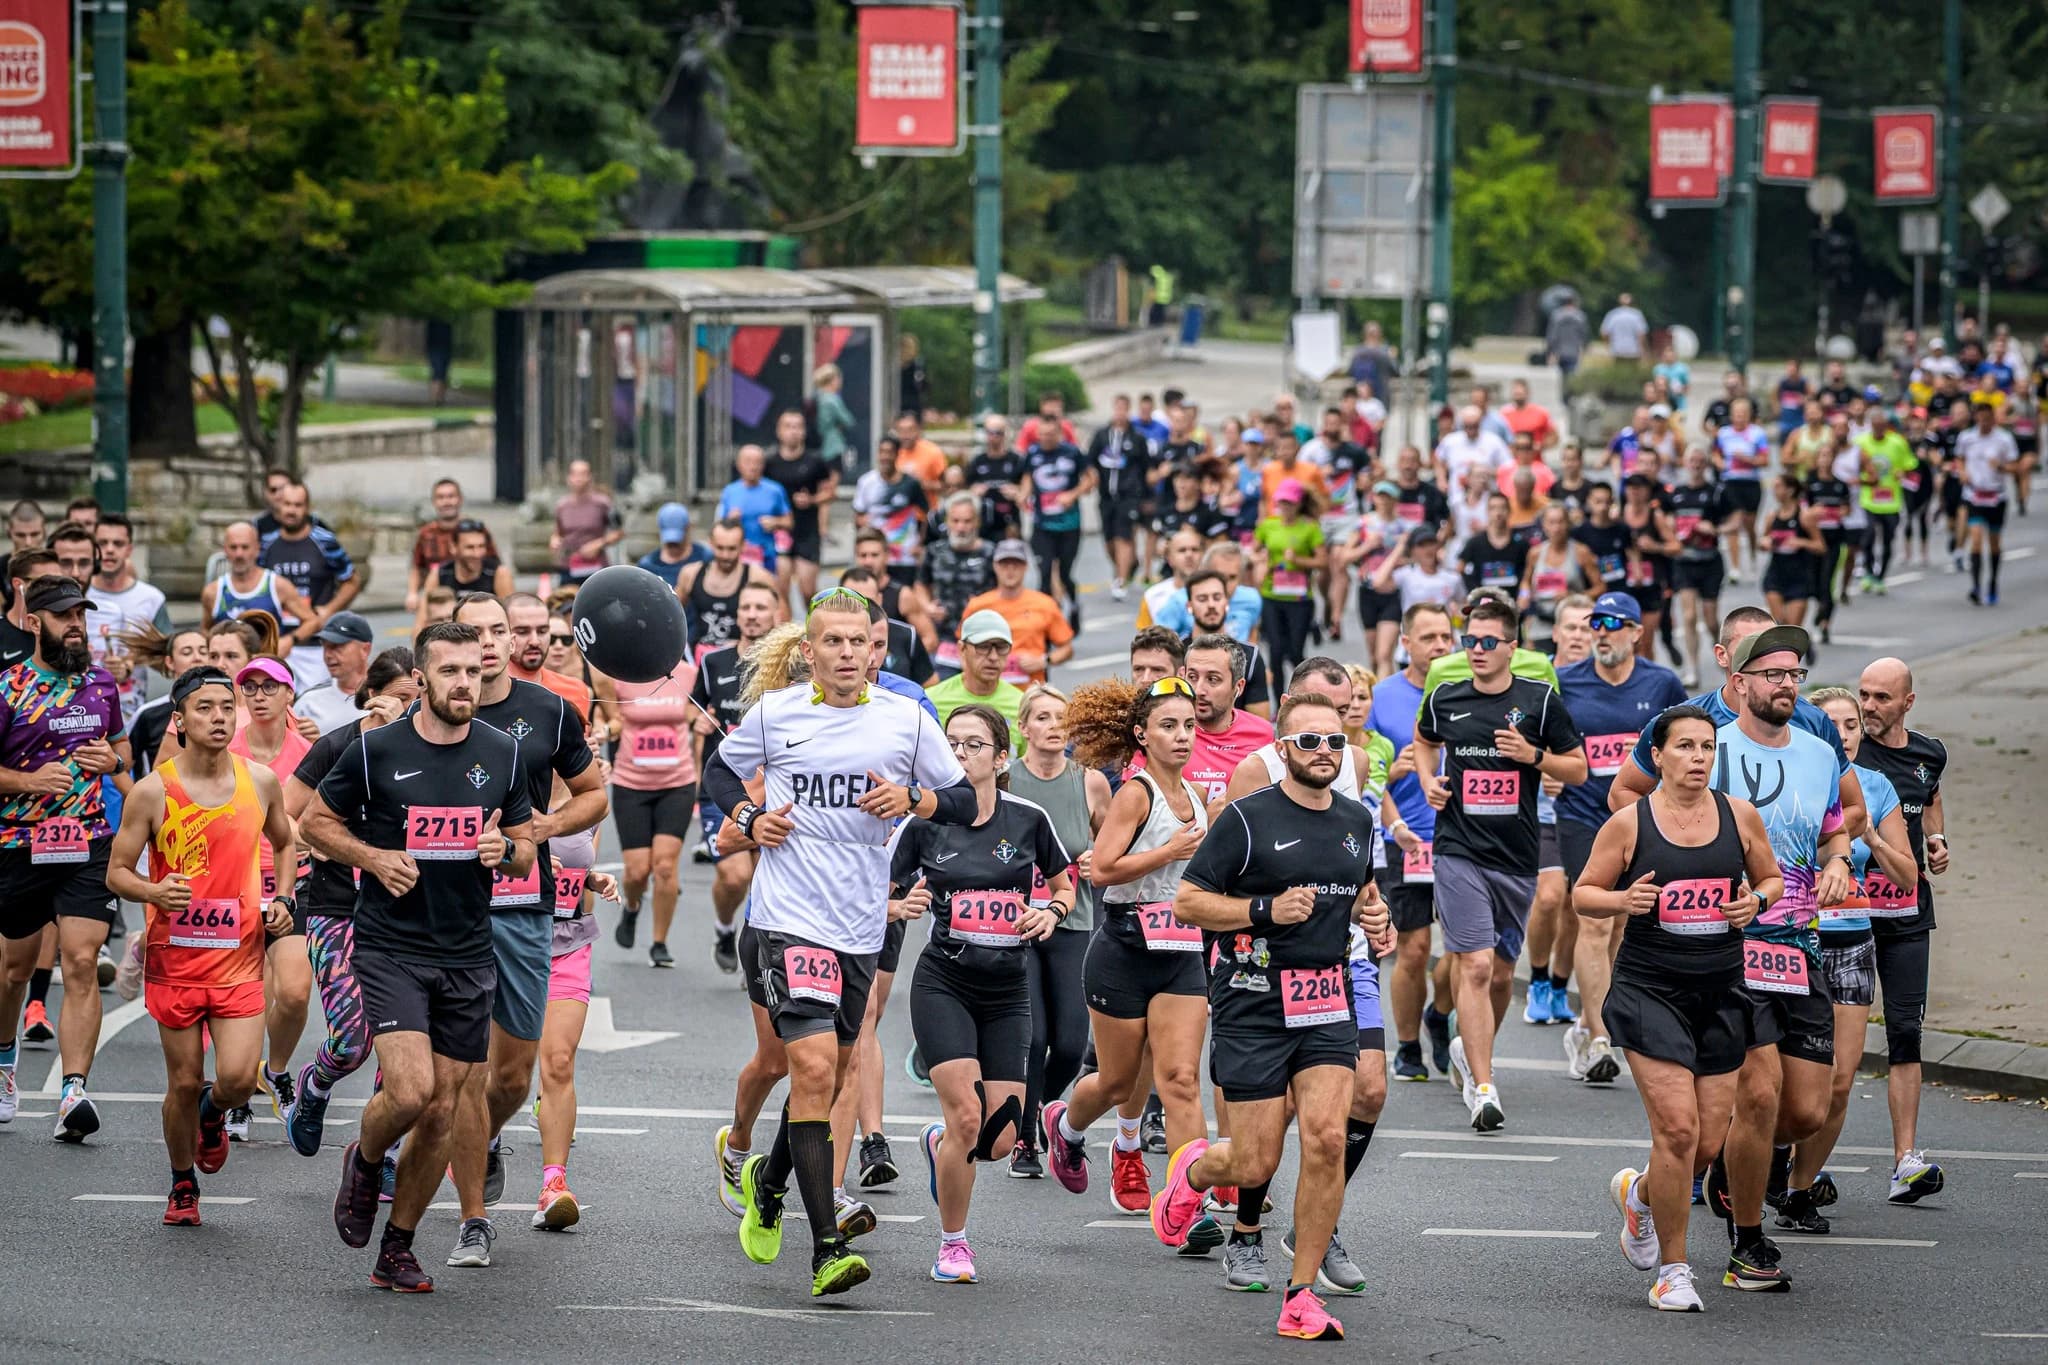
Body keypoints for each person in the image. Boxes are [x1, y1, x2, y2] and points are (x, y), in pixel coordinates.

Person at [704, 587, 972, 1299]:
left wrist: (913, 800)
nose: (849, 653)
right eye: (834, 642)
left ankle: (770, 1177)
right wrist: (750, 815)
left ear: (876, 648)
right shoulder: (777, 712)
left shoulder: (907, 720)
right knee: (816, 1067)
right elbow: (718, 769)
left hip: (862, 924)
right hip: (788, 917)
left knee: (832, 1069)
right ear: (810, 651)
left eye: (862, 642)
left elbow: (967, 800)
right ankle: (824, 1246)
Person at [303, 621, 538, 1294]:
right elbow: (314, 822)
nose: (464, 681)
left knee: (440, 1112)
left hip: (468, 950)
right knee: (411, 1091)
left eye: (473, 670)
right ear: (422, 679)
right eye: (450, 671)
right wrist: (372, 856)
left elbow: (522, 838)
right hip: (391, 945)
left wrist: (508, 851)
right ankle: (367, 1153)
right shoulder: (376, 750)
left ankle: (397, 1247)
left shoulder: (501, 751)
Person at [1155, 693, 1393, 1341]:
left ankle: (1301, 1294)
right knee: (1254, 1160)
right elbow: (1188, 901)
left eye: (1334, 742)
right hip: (1253, 998)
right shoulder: (1246, 818)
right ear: (1283, 749)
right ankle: (1195, 1172)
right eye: (1308, 741)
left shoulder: (1356, 819)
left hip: (1326, 999)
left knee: (1325, 1139)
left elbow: (1363, 893)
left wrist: (1378, 918)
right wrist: (1264, 911)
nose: (1323, 752)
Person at [1574, 705, 1779, 1313]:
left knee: (1707, 1146)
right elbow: (1583, 894)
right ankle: (1674, 1269)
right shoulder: (1630, 823)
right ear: (1656, 756)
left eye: (1707, 748)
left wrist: (1754, 905)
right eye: (1685, 747)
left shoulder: (1738, 816)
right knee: (1678, 1130)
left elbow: (1769, 879)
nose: (1697, 758)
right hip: (1649, 991)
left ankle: (1639, 1194)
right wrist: (1623, 899)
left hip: (1720, 992)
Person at [1218, 660, 1402, 1297]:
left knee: (1355, 1105)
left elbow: (1355, 878)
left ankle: (1311, 1242)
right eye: (1317, 726)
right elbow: (1219, 881)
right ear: (1289, 727)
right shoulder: (1254, 779)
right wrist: (1263, 913)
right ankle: (1245, 1228)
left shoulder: (1355, 770)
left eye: (1346, 714)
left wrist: (1374, 914)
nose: (1334, 734)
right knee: (1263, 1142)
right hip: (1262, 972)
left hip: (1338, 965)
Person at [440, 595, 605, 1270]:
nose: (486, 643)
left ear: (513, 640)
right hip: (443, 912)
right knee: (464, 1072)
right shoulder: (432, 713)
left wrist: (543, 827)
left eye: (497, 630)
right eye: (472, 632)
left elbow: (593, 792)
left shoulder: (549, 710)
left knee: (512, 1076)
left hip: (523, 905)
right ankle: (473, 1219)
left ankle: (484, 1140)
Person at [103, 665, 299, 1223]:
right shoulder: (151, 791)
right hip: (177, 961)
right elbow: (117, 873)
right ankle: (182, 1182)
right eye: (205, 708)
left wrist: (282, 900)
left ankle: (214, 1115)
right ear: (180, 720)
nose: (218, 717)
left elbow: (285, 844)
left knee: (236, 1079)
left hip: (239, 959)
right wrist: (152, 890)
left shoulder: (259, 781)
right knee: (183, 1081)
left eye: (225, 707)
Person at [896, 704, 1075, 1282]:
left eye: (974, 745)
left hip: (1006, 990)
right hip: (943, 982)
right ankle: (953, 1244)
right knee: (968, 1119)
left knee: (997, 1143)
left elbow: (1064, 884)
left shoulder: (1028, 818)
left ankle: (939, 1144)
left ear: (1001, 759)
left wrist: (1050, 910)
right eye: (952, 744)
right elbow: (876, 888)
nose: (961, 754)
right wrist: (898, 906)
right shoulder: (924, 822)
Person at [1042, 676, 1215, 1232]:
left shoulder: (1196, 797)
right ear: (1143, 734)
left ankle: (1189, 1200)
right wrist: (1169, 849)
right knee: (1117, 1082)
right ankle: (1066, 1128)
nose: (1183, 736)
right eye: (1169, 726)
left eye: (1189, 725)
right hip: (1124, 948)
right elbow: (1103, 869)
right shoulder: (1134, 793)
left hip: (1181, 951)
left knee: (1181, 1079)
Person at [1411, 597, 1587, 1130]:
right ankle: (1484, 1087)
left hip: (1516, 855)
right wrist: (1427, 781)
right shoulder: (1446, 697)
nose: (1478, 650)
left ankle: (1470, 1049)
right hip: (1457, 848)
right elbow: (1423, 741)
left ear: (1513, 646)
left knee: (1504, 973)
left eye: (1489, 642)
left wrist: (1533, 756)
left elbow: (1577, 769)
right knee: (1477, 964)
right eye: (1471, 641)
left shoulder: (1538, 700)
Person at [1779, 687, 1919, 1234]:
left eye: (1852, 724)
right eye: (1831, 722)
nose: (1842, 733)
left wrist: (1870, 841)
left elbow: (1907, 876)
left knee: (1839, 1080)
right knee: (1776, 1074)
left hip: (1852, 939)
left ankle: (1798, 1189)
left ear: (1862, 732)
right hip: (1792, 936)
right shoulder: (1793, 774)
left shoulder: (1878, 788)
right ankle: (1756, 1157)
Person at [0, 576, 133, 1138]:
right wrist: (30, 780)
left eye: (80, 614)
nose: (75, 624)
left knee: (81, 961)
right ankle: (5, 1064)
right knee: (13, 971)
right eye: (62, 616)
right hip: (19, 844)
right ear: (34, 623)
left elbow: (123, 751)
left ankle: (73, 1091)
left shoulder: (102, 685)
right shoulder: (8, 688)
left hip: (87, 842)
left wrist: (111, 761)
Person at [280, 647, 418, 1169]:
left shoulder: (427, 756)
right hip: (335, 907)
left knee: (401, 1042)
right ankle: (314, 1086)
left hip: (405, 913)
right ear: (371, 697)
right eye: (403, 698)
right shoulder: (337, 748)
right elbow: (285, 819)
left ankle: (378, 1153)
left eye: (418, 699)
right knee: (353, 1038)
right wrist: (316, 840)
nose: (411, 709)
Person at [1556, 593, 1690, 1084]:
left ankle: (1591, 1022)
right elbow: (1544, 737)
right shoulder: (1565, 681)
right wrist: (1550, 771)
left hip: (1640, 819)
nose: (1602, 630)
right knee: (1594, 922)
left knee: (1620, 927)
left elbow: (1687, 742)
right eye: (1596, 621)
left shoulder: (1661, 683)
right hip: (1582, 816)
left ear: (1636, 631)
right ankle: (1598, 1036)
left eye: (1614, 622)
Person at [1852, 658, 1949, 1204]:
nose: (1869, 707)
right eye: (1865, 695)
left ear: (1907, 702)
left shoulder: (1929, 753)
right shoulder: (1846, 755)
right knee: (1826, 1049)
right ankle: (1792, 1163)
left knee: (1906, 1032)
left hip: (1908, 912)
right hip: (1846, 916)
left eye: (1882, 698)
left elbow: (1929, 798)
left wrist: (1938, 840)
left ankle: (1904, 1160)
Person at [1004, 684, 1109, 1178]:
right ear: (1023, 727)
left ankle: (1040, 1108)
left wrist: (1097, 862)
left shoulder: (1089, 783)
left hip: (1075, 917)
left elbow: (1115, 850)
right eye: (1042, 717)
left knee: (1070, 1042)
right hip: (1018, 922)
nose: (1053, 726)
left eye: (1060, 718)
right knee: (1034, 1036)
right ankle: (1025, 1137)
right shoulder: (1006, 781)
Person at [224, 656, 316, 1141]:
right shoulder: (227, 749)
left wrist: (308, 835)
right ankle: (236, 1098)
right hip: (234, 884)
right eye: (250, 687)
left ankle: (275, 1071)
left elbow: (323, 816)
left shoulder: (309, 752)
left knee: (296, 991)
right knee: (248, 998)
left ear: (289, 695)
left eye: (270, 686)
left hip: (293, 880)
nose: (259, 695)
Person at [685, 579, 780, 955]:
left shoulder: (791, 666)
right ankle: (724, 927)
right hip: (723, 785)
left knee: (765, 878)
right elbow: (692, 715)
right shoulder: (713, 662)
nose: (753, 615)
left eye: (761, 608)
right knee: (735, 874)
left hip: (775, 786)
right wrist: (698, 732)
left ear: (776, 614)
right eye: (746, 608)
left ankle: (759, 950)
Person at [601, 611, 699, 970]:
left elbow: (697, 717)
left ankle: (659, 941)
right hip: (632, 784)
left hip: (677, 782)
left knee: (665, 866)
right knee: (637, 871)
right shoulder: (619, 678)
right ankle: (631, 907)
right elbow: (609, 718)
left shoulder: (688, 676)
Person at [259, 481, 361, 686]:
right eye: (287, 504)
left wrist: (329, 610)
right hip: (275, 642)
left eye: (298, 505)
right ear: (279, 507)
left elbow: (352, 580)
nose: (291, 511)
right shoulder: (266, 544)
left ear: (307, 508)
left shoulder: (324, 541)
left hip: (314, 645)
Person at [86, 513, 172, 731]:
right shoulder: (78, 594)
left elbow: (169, 660)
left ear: (129, 549)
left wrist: (133, 659)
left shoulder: (152, 598)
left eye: (118, 543)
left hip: (131, 715)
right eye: (102, 543)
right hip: (82, 712)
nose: (110, 549)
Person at [963, 540, 1074, 687]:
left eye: (1016, 564)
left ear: (1025, 567)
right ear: (995, 566)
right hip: (988, 690)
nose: (1010, 570)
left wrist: (1043, 661)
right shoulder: (978, 605)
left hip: (1030, 691)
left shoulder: (1044, 604)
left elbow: (1067, 648)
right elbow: (963, 648)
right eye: (1004, 564)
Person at [766, 408, 841, 609]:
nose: (793, 431)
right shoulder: (770, 463)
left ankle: (816, 630)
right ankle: (788, 636)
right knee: (780, 590)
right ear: (779, 431)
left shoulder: (815, 461)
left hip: (807, 531)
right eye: (788, 427)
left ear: (804, 431)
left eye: (798, 427)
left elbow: (831, 493)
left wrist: (812, 500)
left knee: (808, 590)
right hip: (780, 534)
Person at [1667, 450, 1729, 687]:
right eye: (1692, 460)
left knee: (1711, 619)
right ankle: (1692, 668)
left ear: (1705, 465)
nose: (1695, 465)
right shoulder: (1676, 493)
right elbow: (1666, 520)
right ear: (1685, 462)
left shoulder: (1715, 493)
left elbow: (1734, 520)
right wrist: (1672, 531)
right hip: (1684, 562)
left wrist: (1714, 529)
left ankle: (1719, 646)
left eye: (1700, 461)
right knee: (1689, 616)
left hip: (1710, 561)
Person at [677, 518, 781, 661]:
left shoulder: (758, 577)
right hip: (700, 658)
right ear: (710, 544)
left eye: (732, 549)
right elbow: (671, 615)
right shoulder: (691, 574)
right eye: (720, 548)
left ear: (743, 546)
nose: (725, 555)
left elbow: (781, 622)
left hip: (744, 656)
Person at [1254, 480, 1325, 685]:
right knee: (1275, 652)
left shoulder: (1310, 528)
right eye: (1281, 502)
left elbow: (1322, 561)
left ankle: (1301, 692)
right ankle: (1278, 703)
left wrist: (1298, 560)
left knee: (1295, 652)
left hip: (1300, 598)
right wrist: (1261, 563)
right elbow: (1253, 552)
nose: (1285, 507)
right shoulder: (1269, 525)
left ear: (1299, 504)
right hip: (1272, 595)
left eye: (1290, 503)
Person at [919, 493, 997, 673]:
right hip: (944, 638)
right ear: (947, 521)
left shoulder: (991, 553)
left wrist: (985, 605)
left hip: (982, 637)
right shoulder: (934, 551)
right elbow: (920, 584)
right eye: (955, 521)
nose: (961, 527)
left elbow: (1006, 590)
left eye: (967, 521)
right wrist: (927, 606)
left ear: (977, 522)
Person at [201, 521, 315, 646]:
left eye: (245, 547)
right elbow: (205, 630)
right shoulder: (213, 592)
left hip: (267, 661)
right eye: (233, 547)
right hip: (229, 663)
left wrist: (289, 641)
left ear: (257, 549)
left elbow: (312, 621)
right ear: (225, 550)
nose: (239, 554)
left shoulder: (277, 585)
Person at [1021, 430, 1092, 627]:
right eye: (1043, 435)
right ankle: (1047, 620)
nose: (1046, 438)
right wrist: (1023, 494)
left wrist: (1072, 494)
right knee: (1044, 573)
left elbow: (1090, 479)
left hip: (1069, 524)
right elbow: (1027, 478)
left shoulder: (1072, 452)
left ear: (1058, 434)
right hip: (1042, 524)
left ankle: (1074, 605)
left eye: (1051, 434)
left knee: (1064, 573)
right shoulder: (1033, 454)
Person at [1090, 394, 1155, 599]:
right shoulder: (1101, 436)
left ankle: (1120, 580)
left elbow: (1146, 469)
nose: (1120, 413)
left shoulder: (1137, 438)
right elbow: (1090, 462)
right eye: (1117, 408)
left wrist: (1146, 497)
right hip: (1106, 496)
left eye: (1124, 408)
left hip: (1129, 497)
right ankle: (1126, 565)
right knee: (1109, 541)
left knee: (1123, 537)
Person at [1955, 400, 2019, 604]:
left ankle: (1992, 582)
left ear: (1993, 419)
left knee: (1994, 544)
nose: (1983, 423)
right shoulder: (1966, 437)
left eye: (1987, 420)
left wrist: (2001, 467)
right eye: (1980, 419)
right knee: (1975, 540)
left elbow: (2014, 466)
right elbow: (1959, 458)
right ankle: (1975, 586)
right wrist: (1963, 472)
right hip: (1974, 495)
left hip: (1996, 496)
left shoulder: (2004, 439)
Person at [407, 479, 499, 614]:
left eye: (451, 496)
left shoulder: (476, 530)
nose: (446, 501)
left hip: (474, 596)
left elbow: (496, 565)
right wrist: (412, 593)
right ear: (434, 501)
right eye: (441, 497)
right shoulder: (425, 533)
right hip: (437, 597)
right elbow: (416, 567)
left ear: (460, 499)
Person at [927, 609, 1026, 734]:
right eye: (983, 647)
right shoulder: (932, 701)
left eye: (1001, 647)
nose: (993, 657)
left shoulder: (1021, 706)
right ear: (962, 649)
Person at [1520, 506, 1601, 654]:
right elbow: (1526, 581)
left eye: (1560, 522)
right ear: (1544, 525)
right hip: (1542, 622)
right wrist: (1524, 596)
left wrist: (1574, 596)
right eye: (1551, 522)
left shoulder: (1580, 552)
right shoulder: (1535, 553)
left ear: (1568, 524)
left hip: (1573, 623)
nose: (1556, 528)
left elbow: (1600, 587)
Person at [852, 436, 929, 588]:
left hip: (904, 556)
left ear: (897, 454)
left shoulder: (911, 484)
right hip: (874, 556)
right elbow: (858, 515)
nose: (885, 456)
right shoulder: (866, 482)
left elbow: (925, 515)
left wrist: (920, 544)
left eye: (889, 452)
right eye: (881, 452)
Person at [716, 444, 796, 579]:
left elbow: (789, 522)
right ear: (739, 464)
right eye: (748, 462)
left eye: (757, 462)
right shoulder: (729, 491)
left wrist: (775, 522)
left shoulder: (775, 490)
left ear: (763, 465)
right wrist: (730, 519)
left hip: (768, 555)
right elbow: (719, 526)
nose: (753, 467)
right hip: (739, 557)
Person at [1713, 398, 1770, 584]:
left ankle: (1753, 558)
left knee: (1749, 525)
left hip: (1751, 483)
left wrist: (1748, 460)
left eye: (1743, 414)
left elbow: (1765, 460)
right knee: (1734, 523)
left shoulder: (1757, 434)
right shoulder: (1724, 433)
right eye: (1736, 414)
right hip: (1731, 482)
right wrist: (1721, 463)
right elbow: (1715, 453)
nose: (1739, 418)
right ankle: (1735, 567)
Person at [295, 611, 377, 735]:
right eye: (325, 647)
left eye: (337, 646)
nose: (328, 655)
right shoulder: (308, 702)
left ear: (365, 649)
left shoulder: (391, 694)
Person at [1760, 473, 1826, 627]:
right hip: (1775, 575)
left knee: (1791, 630)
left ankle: (1805, 648)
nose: (1774, 491)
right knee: (1779, 625)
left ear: (1790, 490)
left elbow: (1821, 546)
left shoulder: (1804, 517)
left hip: (1798, 577)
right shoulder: (1772, 516)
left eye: (1778, 487)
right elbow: (1762, 542)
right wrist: (1765, 543)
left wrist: (1802, 542)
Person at [420, 520, 515, 622]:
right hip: (450, 634)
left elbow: (510, 620)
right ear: (453, 547)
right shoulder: (439, 573)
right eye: (470, 547)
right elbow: (421, 620)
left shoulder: (498, 573)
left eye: (481, 546)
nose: (477, 554)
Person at [550, 459, 622, 584]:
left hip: (595, 567)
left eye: (583, 474)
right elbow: (558, 532)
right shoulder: (562, 506)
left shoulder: (603, 503)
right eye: (575, 474)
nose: (578, 478)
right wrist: (554, 540)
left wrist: (599, 544)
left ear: (589, 477)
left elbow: (618, 532)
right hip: (568, 566)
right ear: (569, 478)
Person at [965, 414, 1028, 541]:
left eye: (998, 433)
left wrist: (1019, 492)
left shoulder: (1016, 460)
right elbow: (965, 488)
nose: (993, 437)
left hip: (1009, 519)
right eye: (990, 432)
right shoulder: (977, 461)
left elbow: (1028, 485)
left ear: (1005, 434)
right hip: (983, 521)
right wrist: (972, 492)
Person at [635, 502, 711, 589]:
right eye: (669, 541)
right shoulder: (648, 565)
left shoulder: (705, 557)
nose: (673, 544)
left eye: (677, 539)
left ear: (688, 528)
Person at [812, 364, 856, 468]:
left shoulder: (817, 397)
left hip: (818, 446)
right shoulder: (832, 400)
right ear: (832, 380)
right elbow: (849, 421)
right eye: (838, 378)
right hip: (832, 447)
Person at [1545, 294, 1589, 383]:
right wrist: (1584, 347)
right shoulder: (1580, 316)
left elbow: (1552, 335)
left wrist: (1550, 351)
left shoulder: (1556, 315)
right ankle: (1568, 393)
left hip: (1560, 351)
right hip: (1574, 350)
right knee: (1571, 373)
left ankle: (1564, 394)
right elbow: (1584, 334)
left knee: (1562, 375)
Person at [1600, 293, 1649, 364]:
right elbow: (1641, 334)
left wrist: (1608, 346)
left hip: (1617, 350)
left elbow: (1604, 332)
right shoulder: (1637, 315)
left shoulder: (1613, 314)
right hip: (1633, 350)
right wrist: (1643, 349)